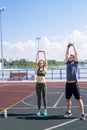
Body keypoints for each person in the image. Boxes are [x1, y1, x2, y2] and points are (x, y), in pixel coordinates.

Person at [64, 42, 86, 120]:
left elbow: (76, 53)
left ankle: (83, 114)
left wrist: (73, 45)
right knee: (68, 99)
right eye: (70, 56)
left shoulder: (75, 63)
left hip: (74, 84)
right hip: (68, 84)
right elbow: (66, 53)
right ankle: (69, 111)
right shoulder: (67, 63)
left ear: (74, 58)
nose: (70, 57)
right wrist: (68, 46)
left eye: (72, 56)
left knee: (79, 99)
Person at [36, 50, 47, 116]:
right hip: (37, 84)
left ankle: (45, 110)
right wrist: (37, 53)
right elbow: (36, 59)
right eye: (39, 63)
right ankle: (39, 110)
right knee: (39, 98)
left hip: (43, 84)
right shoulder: (37, 68)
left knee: (44, 98)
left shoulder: (45, 68)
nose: (40, 64)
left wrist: (44, 53)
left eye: (42, 63)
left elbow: (46, 60)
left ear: (43, 64)